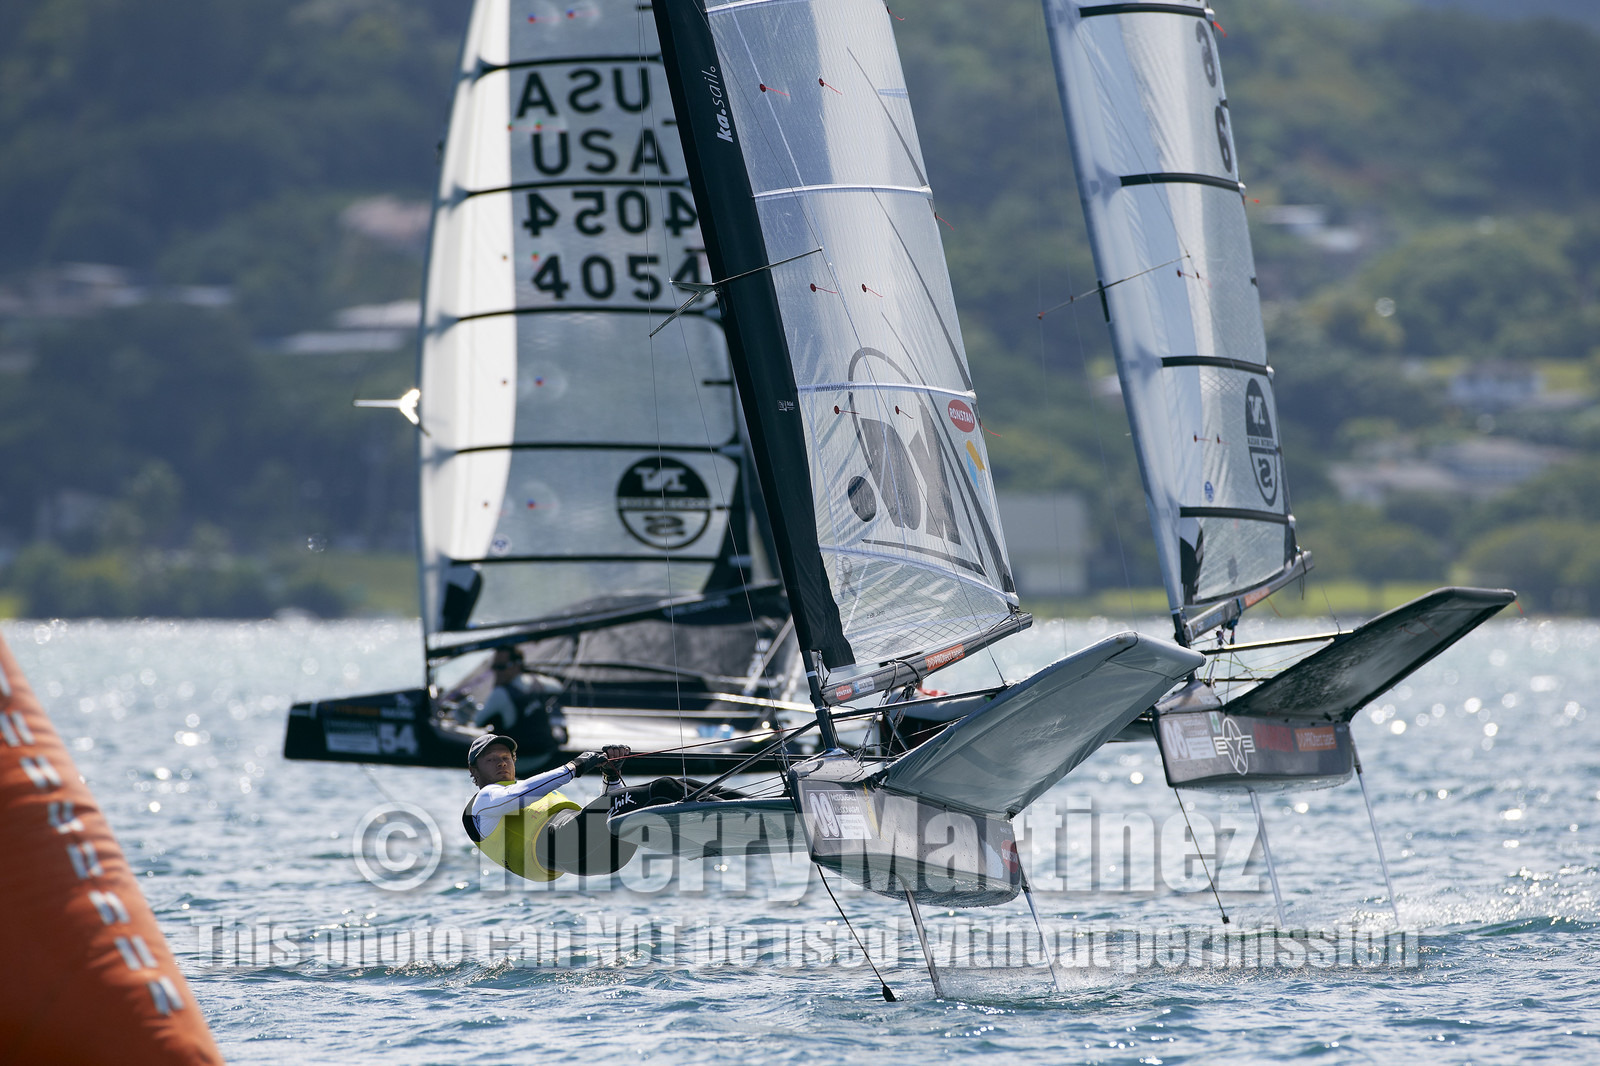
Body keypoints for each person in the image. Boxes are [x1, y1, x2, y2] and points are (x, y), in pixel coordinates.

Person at [462, 734, 639, 881]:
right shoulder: (484, 801)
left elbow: (608, 814)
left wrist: (611, 776)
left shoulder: (534, 788)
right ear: (474, 771)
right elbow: (515, 796)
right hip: (567, 849)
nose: (501, 763)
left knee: (630, 803)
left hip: (608, 858)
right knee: (649, 793)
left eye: (505, 758)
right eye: (491, 759)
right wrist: (573, 767)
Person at [472, 648, 560, 763]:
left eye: (501, 667)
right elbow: (558, 687)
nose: (497, 673)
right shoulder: (538, 682)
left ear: (516, 666)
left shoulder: (500, 693)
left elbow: (478, 721)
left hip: (518, 762)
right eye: (495, 667)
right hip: (545, 756)